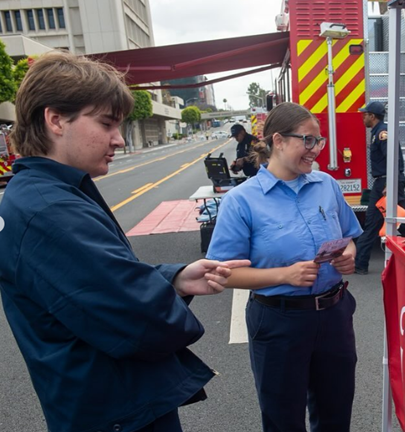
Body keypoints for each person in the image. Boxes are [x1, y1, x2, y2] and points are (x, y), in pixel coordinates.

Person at [0, 51, 250, 432]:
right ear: (55, 120)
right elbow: (135, 315)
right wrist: (169, 304)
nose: (118, 139)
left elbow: (102, 278)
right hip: (115, 411)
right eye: (106, 123)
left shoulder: (45, 194)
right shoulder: (50, 209)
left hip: (102, 402)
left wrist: (175, 277)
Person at [207, 102, 363, 432]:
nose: (315, 150)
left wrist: (348, 252)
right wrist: (284, 275)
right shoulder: (242, 201)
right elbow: (223, 271)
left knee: (336, 414)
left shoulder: (326, 185)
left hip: (334, 315)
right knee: (283, 419)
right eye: (307, 140)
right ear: (278, 140)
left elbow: (349, 235)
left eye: (318, 141)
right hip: (279, 321)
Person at [354, 101, 405, 275]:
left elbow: (393, 159)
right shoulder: (377, 132)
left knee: (401, 222)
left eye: (365, 114)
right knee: (399, 222)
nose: (362, 117)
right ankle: (360, 265)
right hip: (385, 182)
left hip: (387, 183)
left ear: (373, 116)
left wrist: (388, 184)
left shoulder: (383, 133)